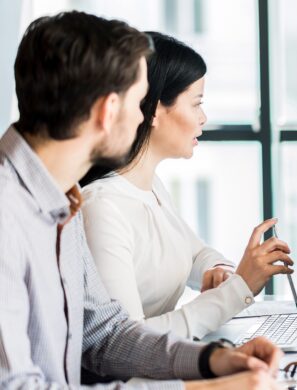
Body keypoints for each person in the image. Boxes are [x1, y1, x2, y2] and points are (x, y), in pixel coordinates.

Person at [0, 12, 282, 389]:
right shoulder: (8, 214)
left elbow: (107, 335)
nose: (142, 117)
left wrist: (212, 360)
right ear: (107, 111)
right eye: (138, 103)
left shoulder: (62, 200)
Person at [79, 32, 293, 340]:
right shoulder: (102, 208)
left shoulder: (151, 185)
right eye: (196, 104)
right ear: (152, 110)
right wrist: (238, 289)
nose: (203, 117)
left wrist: (220, 269)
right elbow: (128, 343)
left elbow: (193, 254)